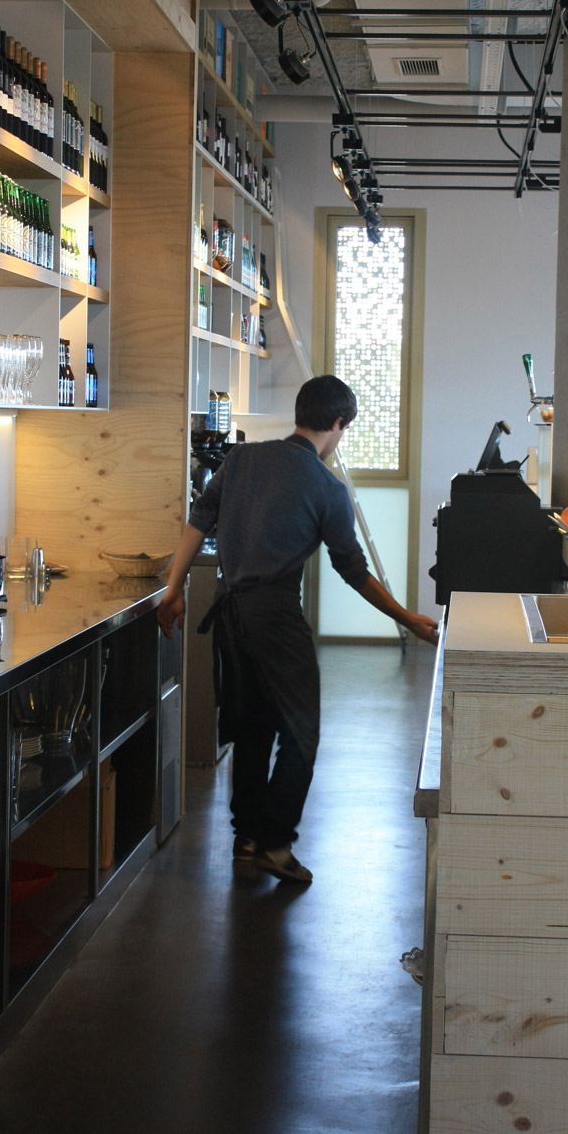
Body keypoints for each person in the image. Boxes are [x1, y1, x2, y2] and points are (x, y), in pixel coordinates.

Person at [156, 374, 439, 884]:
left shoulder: (241, 459)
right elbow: (352, 570)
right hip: (276, 620)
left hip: (229, 614)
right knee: (301, 732)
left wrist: (174, 589)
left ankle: (247, 837)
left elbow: (199, 519)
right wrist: (406, 618)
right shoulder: (327, 487)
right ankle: (275, 844)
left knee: (252, 729)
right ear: (338, 424)